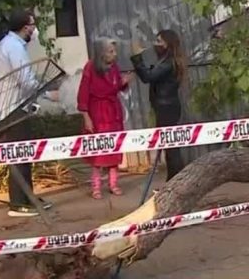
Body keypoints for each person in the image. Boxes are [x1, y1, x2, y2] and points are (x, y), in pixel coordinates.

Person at [0, 8, 57, 217]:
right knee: (19, 157)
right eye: (32, 26)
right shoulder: (13, 47)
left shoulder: (11, 45)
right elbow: (25, 81)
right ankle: (18, 203)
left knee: (24, 155)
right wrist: (47, 93)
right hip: (14, 109)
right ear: (24, 27)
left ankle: (28, 197)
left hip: (18, 107)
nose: (34, 30)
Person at [77, 37, 134, 199]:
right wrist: (86, 117)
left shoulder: (114, 68)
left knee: (114, 149)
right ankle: (96, 186)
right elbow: (83, 94)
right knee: (98, 151)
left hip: (113, 112)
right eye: (111, 51)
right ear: (101, 53)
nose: (114, 55)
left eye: (114, 51)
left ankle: (113, 184)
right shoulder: (90, 68)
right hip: (98, 113)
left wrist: (124, 82)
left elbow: (115, 87)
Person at [130, 29, 188, 181]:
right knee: (170, 146)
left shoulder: (169, 62)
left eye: (159, 41)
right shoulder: (166, 60)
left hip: (167, 108)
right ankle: (173, 179)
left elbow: (148, 77)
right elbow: (153, 75)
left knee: (172, 147)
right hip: (166, 107)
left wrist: (137, 57)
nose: (156, 44)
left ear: (168, 44)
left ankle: (177, 180)